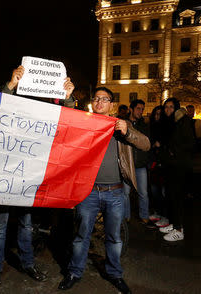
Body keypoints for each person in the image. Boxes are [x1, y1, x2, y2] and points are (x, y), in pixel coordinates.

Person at [0, 65, 75, 289]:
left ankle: (27, 263)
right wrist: (10, 85)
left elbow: (69, 119)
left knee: (26, 226)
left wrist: (68, 98)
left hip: (28, 179)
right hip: (5, 176)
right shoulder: (14, 102)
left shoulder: (47, 108)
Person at [58, 87, 150, 294]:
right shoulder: (87, 124)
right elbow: (68, 118)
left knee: (114, 237)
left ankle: (115, 274)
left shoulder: (120, 126)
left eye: (104, 99)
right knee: (82, 235)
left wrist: (128, 132)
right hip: (88, 191)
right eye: (96, 99)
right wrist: (68, 97)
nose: (99, 102)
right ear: (93, 103)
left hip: (115, 192)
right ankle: (74, 272)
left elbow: (146, 144)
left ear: (112, 104)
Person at [157, 98, 195, 241]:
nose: (168, 110)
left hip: (180, 165)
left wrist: (173, 150)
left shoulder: (183, 121)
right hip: (171, 165)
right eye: (166, 107)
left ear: (176, 108)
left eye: (171, 107)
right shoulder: (171, 122)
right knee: (171, 196)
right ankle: (174, 224)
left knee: (177, 197)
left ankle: (179, 230)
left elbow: (191, 143)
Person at [122, 99, 151, 227]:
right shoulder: (123, 123)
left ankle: (144, 216)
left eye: (142, 109)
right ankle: (126, 216)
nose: (141, 111)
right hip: (127, 164)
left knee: (143, 192)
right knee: (125, 193)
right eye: (138, 108)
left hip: (140, 165)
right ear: (131, 109)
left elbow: (147, 143)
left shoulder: (144, 125)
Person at [148, 105, 166, 223]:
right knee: (154, 190)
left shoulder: (167, 128)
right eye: (156, 114)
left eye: (160, 114)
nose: (157, 116)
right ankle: (158, 212)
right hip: (154, 162)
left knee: (164, 191)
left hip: (164, 164)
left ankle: (165, 216)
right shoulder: (151, 128)